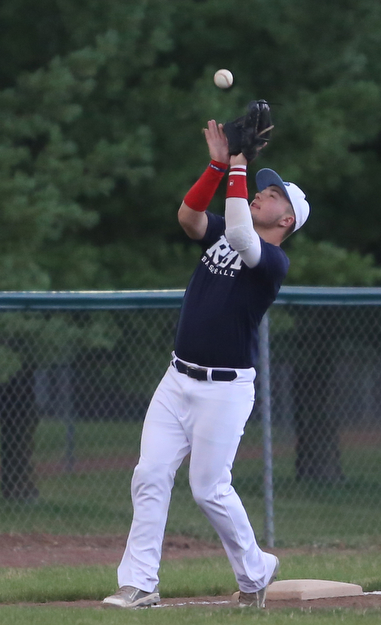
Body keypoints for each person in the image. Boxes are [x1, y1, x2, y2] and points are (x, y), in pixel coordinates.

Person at [103, 118, 310, 609]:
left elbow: (242, 235)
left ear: (287, 221)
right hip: (177, 379)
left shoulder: (272, 262)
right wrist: (219, 166)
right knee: (149, 474)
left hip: (225, 389)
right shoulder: (223, 231)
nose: (263, 194)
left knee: (208, 489)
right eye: (262, 189)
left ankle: (255, 570)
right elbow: (189, 216)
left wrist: (240, 162)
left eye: (275, 195)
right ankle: (139, 583)